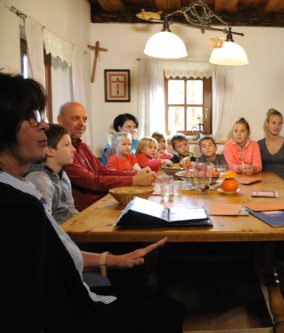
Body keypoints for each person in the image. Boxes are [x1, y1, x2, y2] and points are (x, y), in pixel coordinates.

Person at [0, 72, 184, 332]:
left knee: (147, 284)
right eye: (31, 117)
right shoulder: (16, 204)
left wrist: (112, 260)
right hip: (75, 312)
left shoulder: (26, 185)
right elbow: (33, 296)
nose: (42, 125)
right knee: (169, 306)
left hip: (80, 295)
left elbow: (59, 255)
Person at [58, 102, 154, 211]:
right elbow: (93, 181)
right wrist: (134, 179)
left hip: (102, 201)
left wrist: (136, 173)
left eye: (84, 120)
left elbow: (103, 171)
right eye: (76, 118)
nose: (82, 124)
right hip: (87, 210)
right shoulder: (61, 150)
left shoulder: (82, 145)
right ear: (60, 120)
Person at [25, 124, 79, 224]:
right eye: (67, 145)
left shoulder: (62, 174)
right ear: (49, 150)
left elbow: (70, 209)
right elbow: (45, 222)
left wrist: (83, 224)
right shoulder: (40, 180)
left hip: (69, 231)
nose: (73, 149)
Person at [258, 108, 284, 181]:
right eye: (273, 123)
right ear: (267, 123)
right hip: (263, 183)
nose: (277, 126)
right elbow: (257, 169)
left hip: (283, 184)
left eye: (280, 123)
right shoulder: (259, 144)